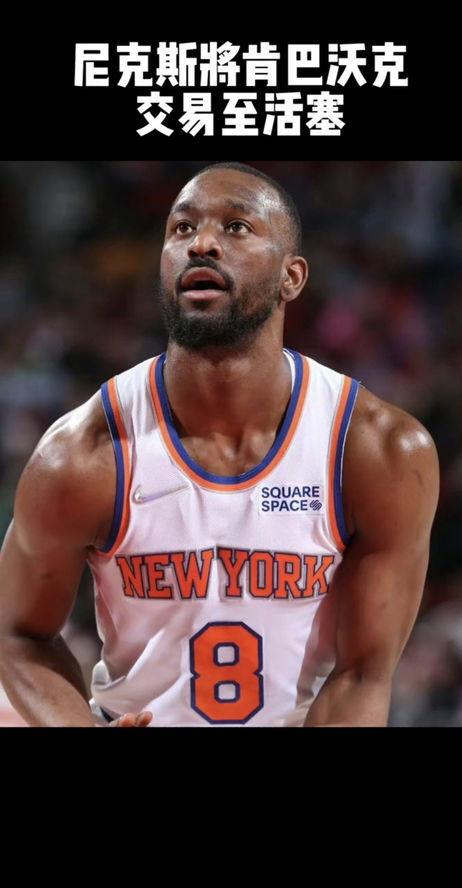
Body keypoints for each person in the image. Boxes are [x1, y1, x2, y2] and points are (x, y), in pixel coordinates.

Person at [0, 162, 439, 727]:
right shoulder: (83, 453)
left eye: (236, 227)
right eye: (182, 228)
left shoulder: (380, 450)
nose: (201, 243)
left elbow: (362, 674)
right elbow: (16, 633)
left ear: (291, 277)